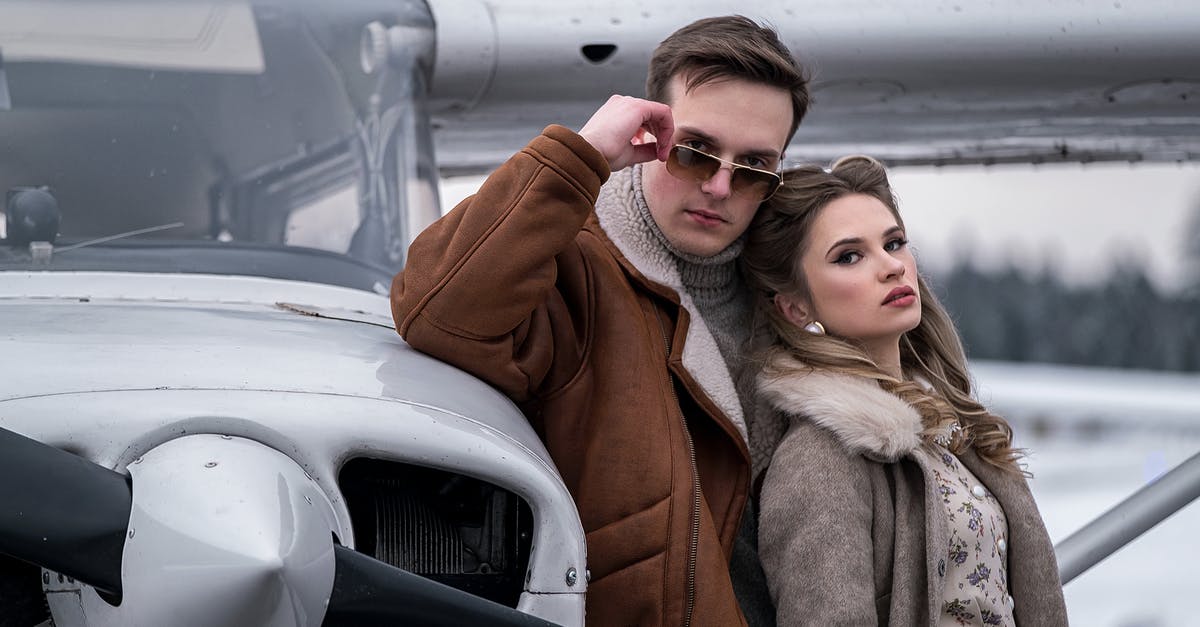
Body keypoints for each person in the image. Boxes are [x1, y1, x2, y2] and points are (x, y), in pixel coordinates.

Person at [391, 15, 810, 627]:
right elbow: (439, 311)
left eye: (753, 169)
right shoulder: (570, 267)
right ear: (650, 131)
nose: (721, 186)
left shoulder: (790, 302)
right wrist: (579, 156)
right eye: (695, 153)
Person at [740, 155, 1069, 626]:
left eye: (894, 243)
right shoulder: (819, 459)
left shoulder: (942, 425)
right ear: (793, 307)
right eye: (849, 256)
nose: (892, 266)